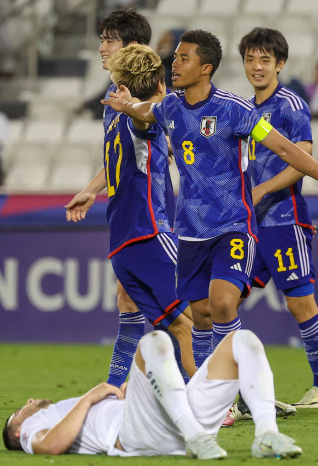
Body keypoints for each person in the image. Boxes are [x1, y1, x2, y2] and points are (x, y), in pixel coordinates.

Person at [102, 30, 318, 379]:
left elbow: (286, 149)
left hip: (232, 225)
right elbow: (147, 111)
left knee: (222, 302)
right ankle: (216, 395)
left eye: (183, 58)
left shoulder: (234, 109)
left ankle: (236, 388)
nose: (174, 63)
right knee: (201, 315)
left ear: (205, 68)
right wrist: (127, 105)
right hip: (189, 233)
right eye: (175, 57)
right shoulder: (172, 107)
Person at [66, 10, 194, 388]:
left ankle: (222, 394)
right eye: (102, 39)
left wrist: (147, 118)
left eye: (109, 40)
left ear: (132, 47)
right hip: (127, 225)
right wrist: (92, 189)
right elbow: (122, 157)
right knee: (134, 306)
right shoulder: (113, 98)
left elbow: (155, 127)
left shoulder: (151, 93)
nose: (102, 47)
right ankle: (119, 391)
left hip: (152, 221)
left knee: (193, 317)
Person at [2, 329, 303, 459]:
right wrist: (92, 395)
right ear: (17, 433)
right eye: (19, 412)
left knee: (243, 341)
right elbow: (50, 447)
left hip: (172, 419)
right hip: (135, 436)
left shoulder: (60, 412)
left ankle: (266, 433)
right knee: (153, 340)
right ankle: (195, 436)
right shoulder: (32, 427)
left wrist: (138, 391)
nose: (28, 404)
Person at [238, 27, 318, 410]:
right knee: (223, 301)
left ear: (280, 64)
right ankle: (230, 391)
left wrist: (262, 190)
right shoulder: (246, 110)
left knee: (300, 303)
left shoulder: (291, 105)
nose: (257, 67)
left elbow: (303, 161)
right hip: (249, 224)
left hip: (284, 218)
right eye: (250, 59)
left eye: (265, 60)